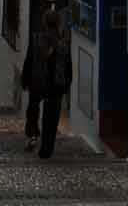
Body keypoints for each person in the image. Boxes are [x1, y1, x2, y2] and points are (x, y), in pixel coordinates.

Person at [21, 9, 72, 159]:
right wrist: (66, 85)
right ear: (58, 23)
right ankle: (47, 149)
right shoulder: (63, 44)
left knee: (33, 108)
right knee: (52, 118)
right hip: (56, 84)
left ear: (44, 22)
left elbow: (29, 60)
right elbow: (68, 67)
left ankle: (32, 134)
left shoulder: (36, 39)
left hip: (38, 81)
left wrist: (25, 79)